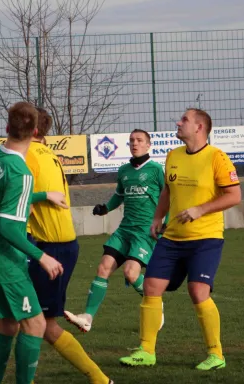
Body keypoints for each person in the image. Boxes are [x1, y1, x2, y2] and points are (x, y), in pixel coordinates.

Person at [122, 108, 241, 371]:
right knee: (152, 286)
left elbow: (234, 195)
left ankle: (216, 354)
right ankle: (146, 351)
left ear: (199, 127)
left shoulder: (217, 158)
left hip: (205, 238)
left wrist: (200, 209)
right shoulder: (173, 155)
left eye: (184, 119)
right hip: (172, 236)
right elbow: (167, 189)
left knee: (198, 291)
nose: (178, 122)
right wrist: (157, 217)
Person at [0, 101, 65, 384]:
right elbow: (8, 226)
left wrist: (42, 195)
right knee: (34, 324)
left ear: (7, 127)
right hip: (2, 258)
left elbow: (3, 198)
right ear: (36, 132)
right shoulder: (21, 173)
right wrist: (41, 256)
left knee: (6, 326)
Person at [25, 108, 113, 383]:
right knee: (35, 322)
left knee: (35, 323)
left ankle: (99, 378)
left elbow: (20, 196)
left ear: (33, 130)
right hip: (61, 245)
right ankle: (99, 379)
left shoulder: (28, 154)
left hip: (48, 248)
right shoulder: (47, 153)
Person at [65, 129, 166, 342]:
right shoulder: (124, 171)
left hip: (145, 231)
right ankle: (87, 317)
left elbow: (169, 197)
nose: (135, 143)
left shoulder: (157, 170)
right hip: (124, 230)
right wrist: (105, 208)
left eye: (139, 140)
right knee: (103, 268)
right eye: (132, 140)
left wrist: (165, 221)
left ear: (149, 145)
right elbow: (119, 196)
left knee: (131, 273)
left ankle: (155, 304)